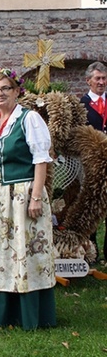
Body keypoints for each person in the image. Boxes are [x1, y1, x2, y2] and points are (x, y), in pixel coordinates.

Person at [0, 67, 56, 330]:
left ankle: (31, 316)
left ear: (16, 91)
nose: (0, 93)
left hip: (24, 193)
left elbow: (40, 159)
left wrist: (36, 197)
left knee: (26, 253)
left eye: (5, 88)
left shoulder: (29, 118)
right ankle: (2, 315)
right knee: (0, 254)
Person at [80, 61, 107, 261]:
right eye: (97, 78)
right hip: (92, 161)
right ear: (88, 81)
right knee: (92, 205)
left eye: (104, 78)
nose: (101, 82)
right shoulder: (81, 104)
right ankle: (92, 250)